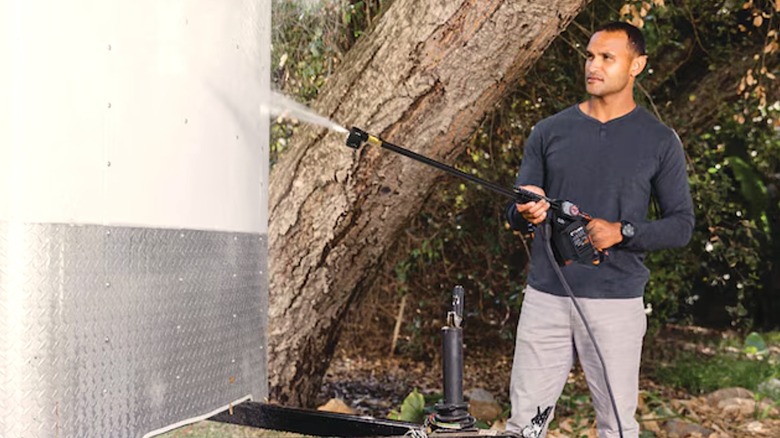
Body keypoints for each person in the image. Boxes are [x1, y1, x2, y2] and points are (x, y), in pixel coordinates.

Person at [504, 22, 694, 437]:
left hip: (616, 304)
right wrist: (527, 211)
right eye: (590, 56)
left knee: (617, 428)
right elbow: (515, 211)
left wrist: (622, 232)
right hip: (545, 298)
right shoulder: (548, 131)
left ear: (636, 65)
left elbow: (681, 226)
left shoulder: (659, 141)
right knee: (522, 427)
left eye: (608, 57)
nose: (594, 65)